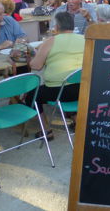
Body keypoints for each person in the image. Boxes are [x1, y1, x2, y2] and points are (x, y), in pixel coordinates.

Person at [26, 12, 84, 140]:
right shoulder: (84, 39)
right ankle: (77, 120)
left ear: (56, 27)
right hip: (83, 89)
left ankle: (46, 130)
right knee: (70, 83)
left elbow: (36, 66)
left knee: (31, 95)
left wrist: (31, 57)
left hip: (58, 91)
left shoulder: (51, 41)